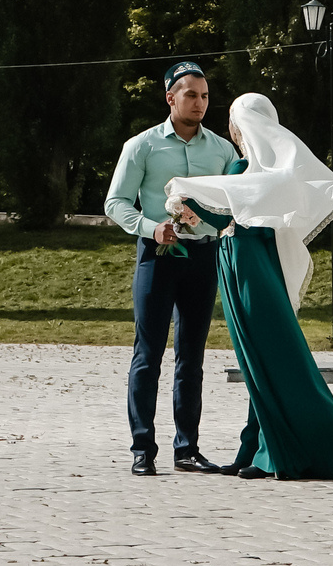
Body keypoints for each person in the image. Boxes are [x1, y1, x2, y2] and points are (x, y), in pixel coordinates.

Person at [166, 93, 333, 481]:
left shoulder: (244, 169)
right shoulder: (277, 173)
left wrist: (185, 206)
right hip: (258, 264)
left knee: (263, 357)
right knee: (262, 358)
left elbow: (228, 221)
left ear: (241, 125)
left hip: (244, 266)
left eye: (233, 121)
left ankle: (283, 450)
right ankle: (257, 449)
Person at [102, 62, 238, 476]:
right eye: (191, 95)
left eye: (205, 96)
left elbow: (234, 202)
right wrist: (151, 227)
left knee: (192, 357)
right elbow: (116, 203)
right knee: (148, 354)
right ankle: (142, 448)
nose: (199, 103)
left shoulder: (222, 150)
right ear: (170, 98)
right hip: (156, 257)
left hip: (203, 258)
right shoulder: (141, 146)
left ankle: (187, 449)